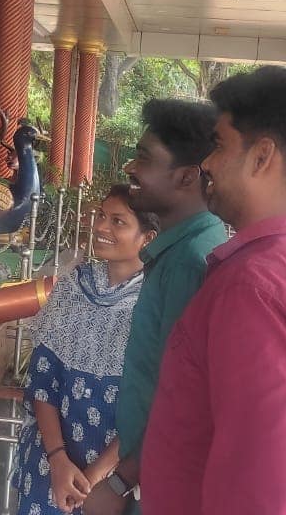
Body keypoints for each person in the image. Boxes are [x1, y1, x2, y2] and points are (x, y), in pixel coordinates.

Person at [140, 66, 286, 515]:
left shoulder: (252, 289)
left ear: (262, 156)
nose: (206, 163)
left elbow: (254, 490)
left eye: (220, 145)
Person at [80, 98, 225, 515]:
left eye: (144, 157)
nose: (130, 168)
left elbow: (185, 397)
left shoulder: (189, 262)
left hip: (157, 482)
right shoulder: (180, 252)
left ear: (187, 176)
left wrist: (122, 480)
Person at [15, 184, 159, 515]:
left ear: (148, 238)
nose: (101, 227)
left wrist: (95, 477)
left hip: (114, 477)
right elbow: (42, 381)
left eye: (118, 221)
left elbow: (151, 404)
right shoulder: (72, 286)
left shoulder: (154, 304)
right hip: (51, 463)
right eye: (101, 216)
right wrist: (57, 459)